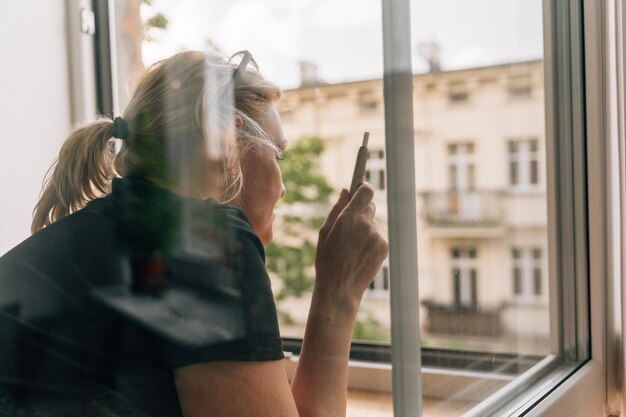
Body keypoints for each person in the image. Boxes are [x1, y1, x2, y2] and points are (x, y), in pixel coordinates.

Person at [0, 50, 388, 417]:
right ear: (230, 142)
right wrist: (339, 293)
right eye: (278, 155)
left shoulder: (92, 237)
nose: (283, 185)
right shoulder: (205, 245)